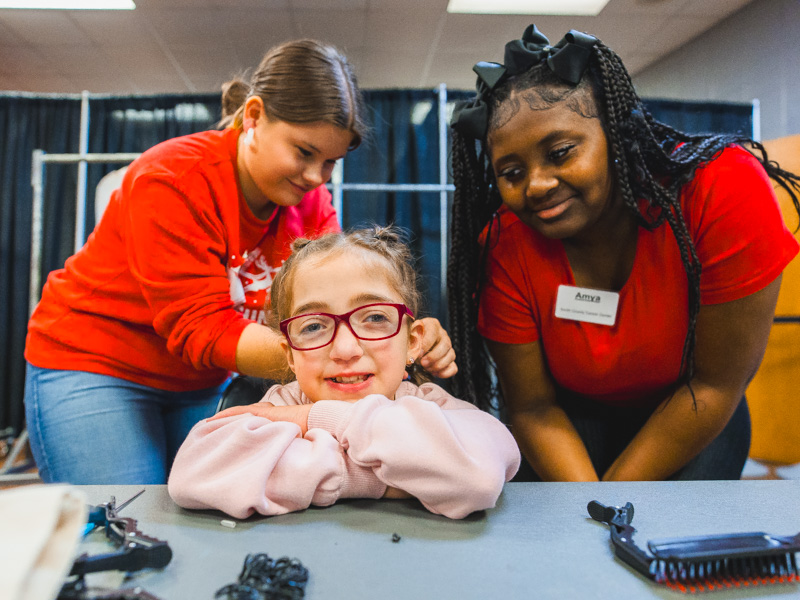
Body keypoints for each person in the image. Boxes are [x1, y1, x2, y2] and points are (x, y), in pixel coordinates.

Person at [24, 39, 456, 486]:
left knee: (211, 501)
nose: (316, 177)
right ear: (253, 116)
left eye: (330, 162)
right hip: (96, 362)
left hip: (199, 378)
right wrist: (361, 352)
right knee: (126, 511)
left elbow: (336, 299)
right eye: (304, 152)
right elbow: (202, 327)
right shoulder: (172, 178)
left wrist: (396, 333)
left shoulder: (309, 200)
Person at [448, 24, 800, 482]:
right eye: (511, 173)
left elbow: (715, 383)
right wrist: (589, 509)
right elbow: (533, 407)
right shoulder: (506, 243)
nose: (536, 185)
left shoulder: (721, 189)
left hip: (695, 407)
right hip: (565, 421)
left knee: (673, 530)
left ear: (615, 134)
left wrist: (611, 501)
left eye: (561, 152)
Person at [167, 227, 520, 519]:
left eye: (375, 317)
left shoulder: (431, 404)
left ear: (411, 343)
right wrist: (403, 475)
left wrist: (315, 418)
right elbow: (192, 475)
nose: (346, 349)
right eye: (313, 326)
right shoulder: (278, 406)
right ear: (290, 355)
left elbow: (478, 479)